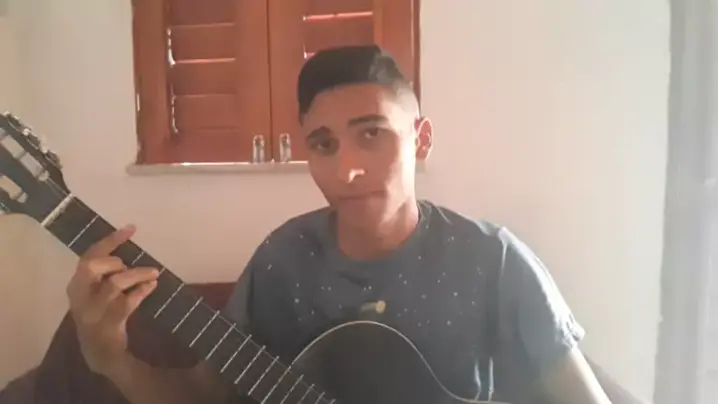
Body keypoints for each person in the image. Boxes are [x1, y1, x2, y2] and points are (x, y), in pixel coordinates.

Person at [65, 45, 612, 404]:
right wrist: (111, 360)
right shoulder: (282, 259)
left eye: (371, 134)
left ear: (420, 139)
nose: (346, 170)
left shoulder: (494, 261)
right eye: (324, 145)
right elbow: (205, 398)